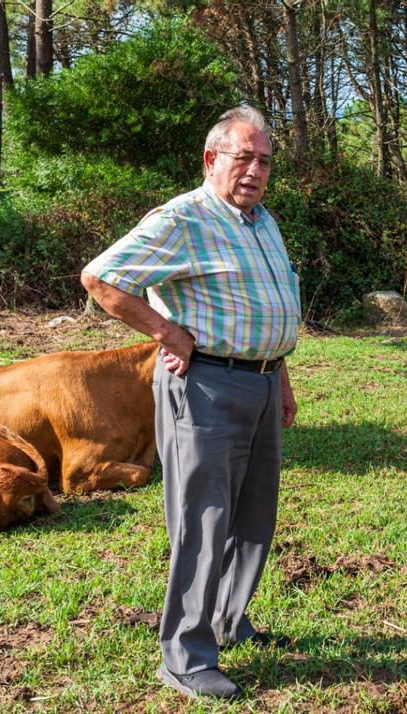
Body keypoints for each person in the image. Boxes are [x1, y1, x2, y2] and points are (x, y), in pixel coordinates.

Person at [80, 105, 299, 700]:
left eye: (264, 161)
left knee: (252, 518)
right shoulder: (184, 218)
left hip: (258, 381)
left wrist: (278, 373)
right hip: (204, 384)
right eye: (243, 158)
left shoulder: (261, 221)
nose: (255, 170)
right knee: (203, 522)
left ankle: (230, 619)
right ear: (211, 160)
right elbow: (101, 277)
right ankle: (186, 654)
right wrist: (166, 331)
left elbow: (266, 306)